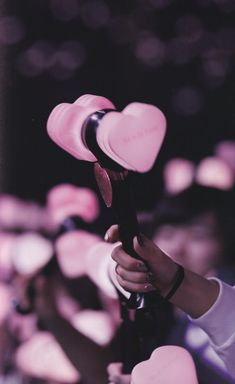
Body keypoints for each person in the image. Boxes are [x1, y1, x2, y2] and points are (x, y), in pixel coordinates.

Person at [105, 224, 235, 381]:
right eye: (168, 235)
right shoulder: (164, 324)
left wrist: (176, 282)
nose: (178, 247)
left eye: (198, 236)